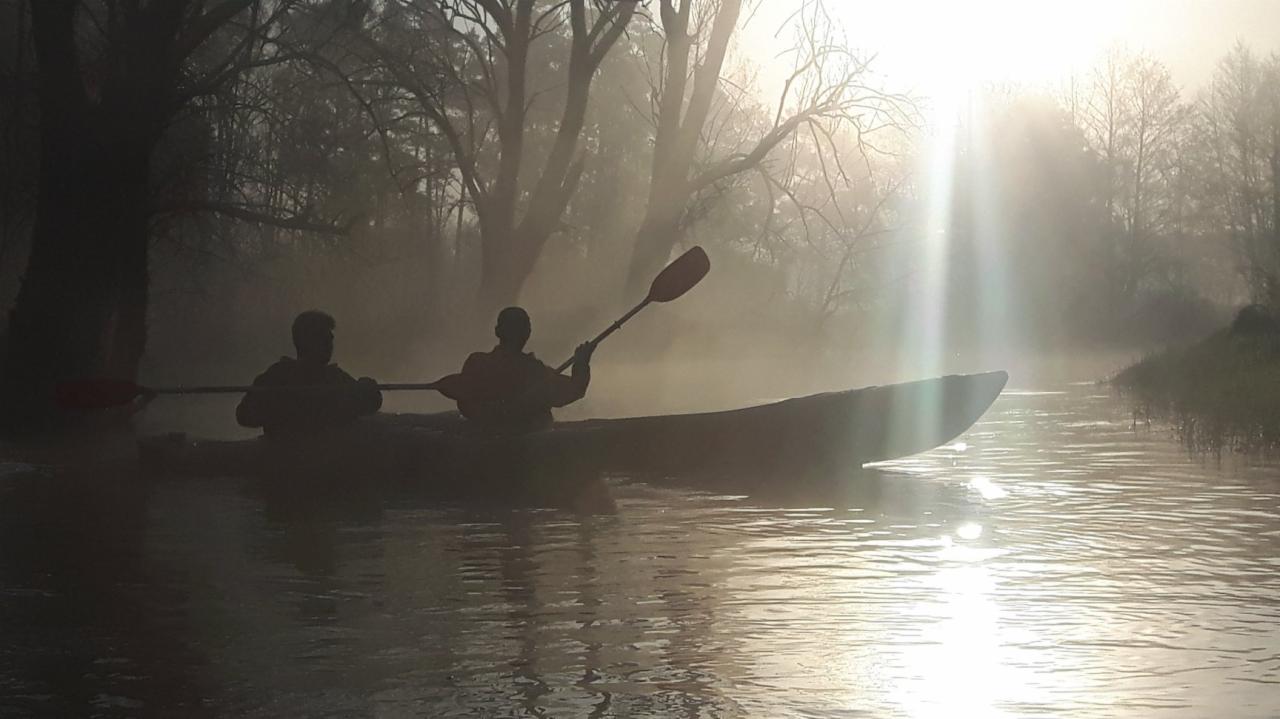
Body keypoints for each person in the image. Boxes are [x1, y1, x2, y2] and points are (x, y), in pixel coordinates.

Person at [236, 310, 382, 438]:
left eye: (329, 339)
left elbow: (244, 415)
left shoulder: (277, 375)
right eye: (325, 339)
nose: (330, 344)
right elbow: (245, 415)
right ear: (308, 340)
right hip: (317, 461)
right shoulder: (331, 377)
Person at [454, 306, 594, 434]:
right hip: (525, 446)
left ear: (497, 331)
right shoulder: (534, 371)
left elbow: (465, 405)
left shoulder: (476, 363)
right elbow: (574, 390)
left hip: (484, 440)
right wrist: (581, 363)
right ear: (527, 333)